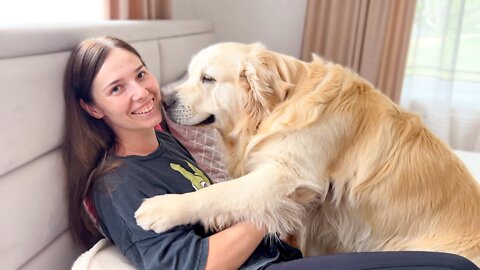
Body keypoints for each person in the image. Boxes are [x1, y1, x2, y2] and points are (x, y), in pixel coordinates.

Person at [63, 36, 478, 270]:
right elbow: (193, 265)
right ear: (92, 107)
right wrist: (273, 207)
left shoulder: (166, 139)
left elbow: (253, 157)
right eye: (117, 88)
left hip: (282, 254)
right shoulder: (117, 184)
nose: (145, 92)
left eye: (140, 74)